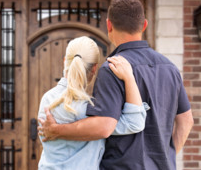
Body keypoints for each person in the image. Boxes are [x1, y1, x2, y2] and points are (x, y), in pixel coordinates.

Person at [38, 0, 194, 170]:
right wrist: (166, 159)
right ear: (144, 25)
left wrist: (57, 130)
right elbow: (186, 121)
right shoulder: (170, 68)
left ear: (109, 25)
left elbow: (104, 126)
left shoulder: (112, 68)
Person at [38, 36, 149, 170]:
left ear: (64, 61)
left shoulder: (47, 99)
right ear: (94, 68)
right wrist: (129, 78)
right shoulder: (90, 109)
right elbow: (134, 122)